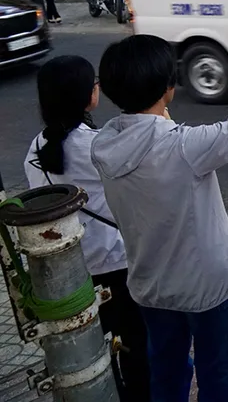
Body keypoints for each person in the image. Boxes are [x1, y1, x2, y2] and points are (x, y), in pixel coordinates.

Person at [90, 8, 228, 402]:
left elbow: (149, 134)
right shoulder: (185, 147)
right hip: (209, 288)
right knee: (217, 376)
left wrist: (162, 115)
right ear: (169, 87)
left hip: (151, 286)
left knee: (167, 371)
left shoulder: (103, 145)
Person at [24, 56, 150, 402]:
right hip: (118, 266)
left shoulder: (34, 151)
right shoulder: (99, 147)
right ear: (86, 96)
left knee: (96, 347)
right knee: (137, 346)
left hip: (74, 276)